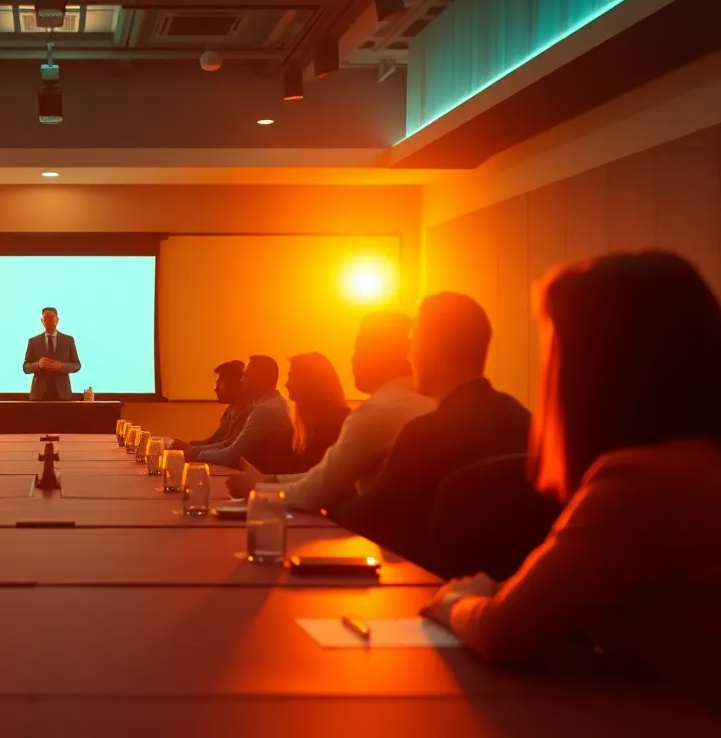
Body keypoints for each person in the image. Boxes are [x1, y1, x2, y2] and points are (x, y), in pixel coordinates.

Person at [423, 252, 721, 698]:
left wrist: (453, 601)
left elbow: (504, 632)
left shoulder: (639, 485)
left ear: (598, 367)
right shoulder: (694, 465)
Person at [332, 293, 529, 565]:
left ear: (433, 350)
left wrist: (331, 499)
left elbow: (370, 519)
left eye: (413, 343)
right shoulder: (525, 421)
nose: (409, 355)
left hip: (430, 584)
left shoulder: (424, 435)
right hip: (512, 581)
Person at [225, 312, 435, 508]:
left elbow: (312, 493)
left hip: (380, 532)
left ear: (380, 354)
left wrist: (256, 489)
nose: (352, 359)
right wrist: (266, 480)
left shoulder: (375, 413)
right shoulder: (427, 402)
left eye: (358, 349)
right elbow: (323, 475)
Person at [171, 355, 292, 471]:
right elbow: (220, 442)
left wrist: (191, 454)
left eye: (246, 376)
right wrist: (191, 450)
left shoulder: (264, 411)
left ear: (261, 379)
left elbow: (232, 455)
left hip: (258, 479)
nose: (242, 381)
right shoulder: (269, 404)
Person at [281, 352, 352, 473]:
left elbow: (324, 476)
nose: (286, 384)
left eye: (291, 377)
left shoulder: (335, 423)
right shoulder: (311, 425)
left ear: (308, 381)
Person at [188, 360, 250, 450]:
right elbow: (214, 440)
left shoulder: (246, 412)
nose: (215, 389)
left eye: (219, 383)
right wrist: (189, 445)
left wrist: (192, 449)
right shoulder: (231, 408)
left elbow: (227, 446)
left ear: (236, 384)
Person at [22, 307, 81, 401]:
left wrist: (61, 366)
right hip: (39, 395)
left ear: (57, 319)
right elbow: (26, 367)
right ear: (42, 321)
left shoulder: (68, 340)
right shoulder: (33, 341)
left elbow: (77, 365)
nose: (48, 320)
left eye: (51, 317)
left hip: (63, 394)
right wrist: (38, 364)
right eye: (45, 318)